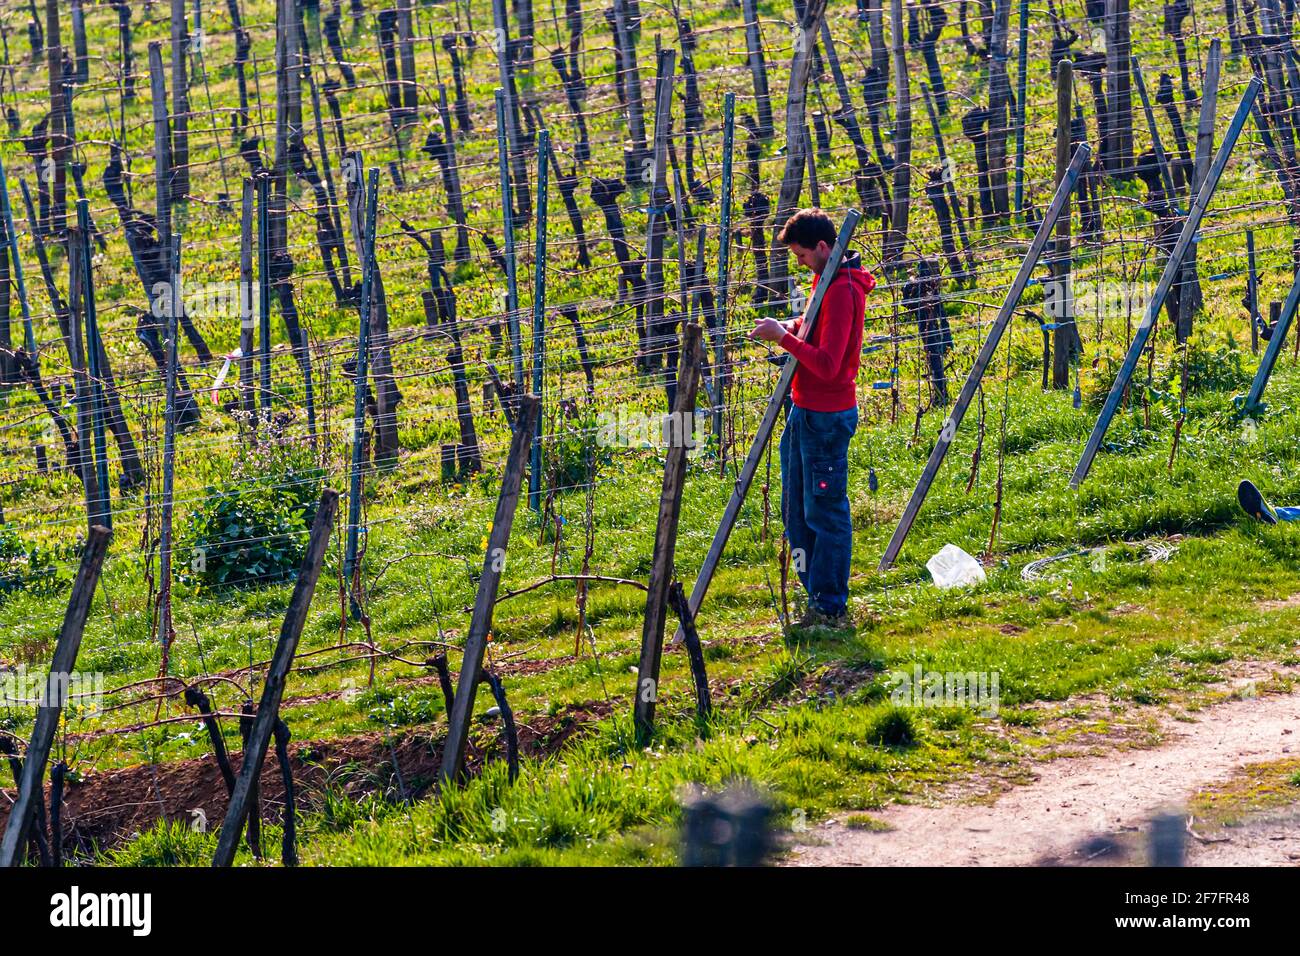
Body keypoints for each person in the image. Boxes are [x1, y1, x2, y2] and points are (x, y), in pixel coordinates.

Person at [749, 209, 876, 628]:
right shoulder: (825, 280)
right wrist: (791, 325)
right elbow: (812, 326)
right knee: (796, 510)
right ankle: (815, 596)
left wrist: (784, 340)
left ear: (823, 247)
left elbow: (829, 365)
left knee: (824, 512)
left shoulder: (841, 290)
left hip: (827, 417)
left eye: (802, 255)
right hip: (804, 412)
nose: (800, 263)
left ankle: (830, 604)